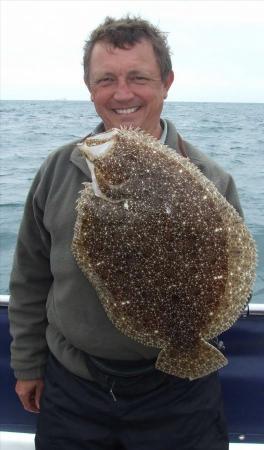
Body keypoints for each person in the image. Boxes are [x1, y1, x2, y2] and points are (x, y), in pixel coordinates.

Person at [9, 16, 243, 450]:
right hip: (73, 388)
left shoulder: (210, 179)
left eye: (138, 77)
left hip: (177, 393)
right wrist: (27, 365)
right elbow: (29, 277)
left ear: (167, 82)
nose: (122, 93)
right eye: (106, 80)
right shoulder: (59, 169)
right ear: (89, 87)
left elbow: (233, 278)